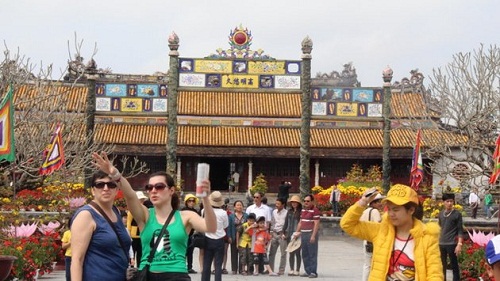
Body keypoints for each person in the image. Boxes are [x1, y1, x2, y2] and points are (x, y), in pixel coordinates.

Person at [92, 151, 217, 281]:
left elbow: (211, 227)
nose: (153, 191)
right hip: (148, 274)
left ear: (171, 190)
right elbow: (130, 195)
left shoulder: (186, 216)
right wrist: (114, 173)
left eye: (159, 187)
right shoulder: (145, 215)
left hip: (176, 275)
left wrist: (206, 199)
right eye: (149, 187)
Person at [340, 184, 443, 280]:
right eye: (389, 209)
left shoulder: (427, 237)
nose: (391, 214)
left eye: (396, 210)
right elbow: (347, 225)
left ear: (411, 210)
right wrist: (362, 202)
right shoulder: (380, 231)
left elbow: (435, 274)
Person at [70, 171, 132, 281]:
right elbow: (77, 260)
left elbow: (131, 196)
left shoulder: (115, 211)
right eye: (100, 185)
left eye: (111, 185)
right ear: (93, 190)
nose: (106, 188)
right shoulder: (86, 215)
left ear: (117, 190)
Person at [202, 191, 229, 281]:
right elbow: (225, 225)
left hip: (207, 238)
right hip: (219, 240)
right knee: (218, 265)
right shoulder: (223, 213)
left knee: (206, 264)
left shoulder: (204, 210)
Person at [293, 194, 320, 278]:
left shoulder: (315, 210)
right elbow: (300, 222)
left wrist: (313, 236)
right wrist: (296, 233)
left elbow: (316, 224)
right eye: (304, 201)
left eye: (308, 201)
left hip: (310, 234)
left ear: (312, 201)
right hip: (303, 234)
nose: (306, 203)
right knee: (304, 253)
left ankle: (313, 272)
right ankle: (307, 270)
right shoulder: (303, 211)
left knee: (312, 253)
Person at [359, 193, 385, 281]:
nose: (380, 204)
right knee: (374, 265)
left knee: (367, 265)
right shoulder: (375, 211)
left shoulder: (365, 211)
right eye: (378, 202)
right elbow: (379, 225)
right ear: (373, 203)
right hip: (373, 241)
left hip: (366, 240)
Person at [438, 193, 463, 281]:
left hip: (452, 243)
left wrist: (459, 244)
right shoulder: (441, 214)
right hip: (441, 243)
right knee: (442, 266)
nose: (449, 203)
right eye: (447, 201)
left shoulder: (457, 214)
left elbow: (460, 230)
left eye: (451, 201)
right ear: (443, 202)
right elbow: (440, 228)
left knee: (454, 266)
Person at [126, 191, 148, 267]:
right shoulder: (131, 210)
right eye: (140, 199)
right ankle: (131, 267)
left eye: (142, 200)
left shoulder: (145, 210)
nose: (141, 201)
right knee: (132, 252)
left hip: (142, 234)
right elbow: (129, 222)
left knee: (140, 253)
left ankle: (139, 267)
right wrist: (128, 233)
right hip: (133, 235)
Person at [227, 200, 248, 274]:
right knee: (234, 253)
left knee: (243, 253)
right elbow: (229, 227)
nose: (239, 206)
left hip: (243, 237)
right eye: (237, 205)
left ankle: (241, 269)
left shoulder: (246, 215)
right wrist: (229, 236)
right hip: (233, 236)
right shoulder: (231, 216)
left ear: (243, 206)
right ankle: (234, 269)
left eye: (240, 205)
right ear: (234, 207)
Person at [268, 197, 288, 275]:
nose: (276, 205)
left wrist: (285, 234)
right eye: (276, 204)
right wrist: (271, 232)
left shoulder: (287, 213)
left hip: (282, 234)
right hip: (275, 233)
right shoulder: (274, 212)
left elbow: (287, 224)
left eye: (278, 204)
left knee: (283, 253)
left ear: (283, 204)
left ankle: (281, 270)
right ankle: (270, 269)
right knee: (272, 253)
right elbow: (272, 223)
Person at [181, 193, 200, 274]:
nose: (191, 202)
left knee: (190, 251)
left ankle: (189, 267)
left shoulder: (195, 211)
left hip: (192, 234)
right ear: (186, 202)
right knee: (183, 251)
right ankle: (182, 267)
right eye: (190, 201)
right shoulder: (183, 211)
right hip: (183, 234)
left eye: (193, 201)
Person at [284, 195, 302, 276]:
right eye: (292, 202)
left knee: (297, 253)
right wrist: (284, 232)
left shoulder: (301, 212)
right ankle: (291, 269)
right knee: (291, 252)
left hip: (297, 234)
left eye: (295, 202)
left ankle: (297, 269)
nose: (294, 204)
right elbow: (286, 222)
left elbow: (302, 224)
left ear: (298, 203)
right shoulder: (289, 211)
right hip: (289, 234)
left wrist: (299, 232)